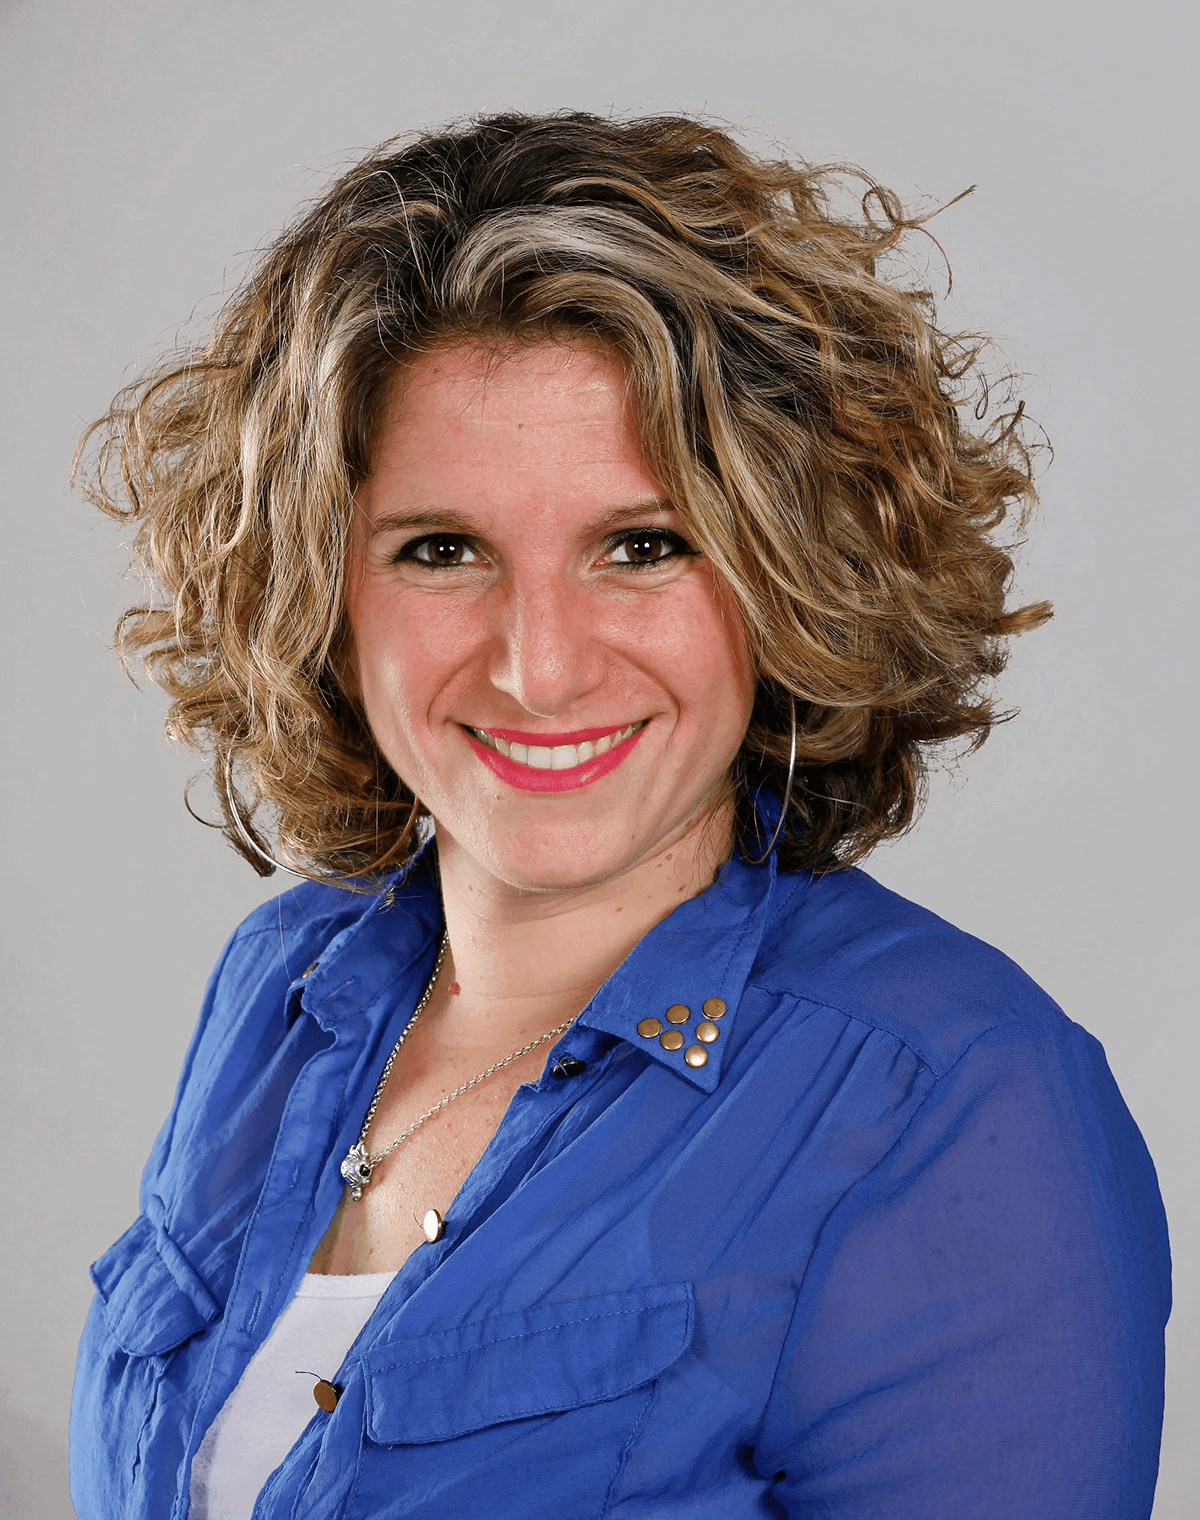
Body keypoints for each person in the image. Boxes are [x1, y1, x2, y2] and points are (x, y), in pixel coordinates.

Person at [69, 112, 1170, 1520]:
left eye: (641, 548)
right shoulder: (282, 989)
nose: (540, 666)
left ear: (788, 577)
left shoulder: (952, 1102)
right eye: (441, 549)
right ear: (319, 596)